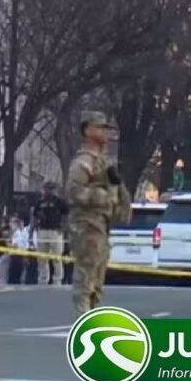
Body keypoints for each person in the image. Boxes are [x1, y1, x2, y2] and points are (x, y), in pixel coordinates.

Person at [66, 111, 132, 320]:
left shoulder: (102, 162)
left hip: (100, 225)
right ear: (88, 131)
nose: (106, 132)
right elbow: (73, 192)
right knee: (85, 280)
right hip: (86, 226)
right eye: (101, 127)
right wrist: (104, 196)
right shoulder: (84, 162)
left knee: (97, 281)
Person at [32, 181, 69, 285]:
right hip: (42, 230)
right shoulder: (40, 202)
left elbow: (66, 214)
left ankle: (57, 279)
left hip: (55, 231)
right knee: (42, 257)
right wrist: (34, 229)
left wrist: (63, 227)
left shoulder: (59, 201)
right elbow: (34, 216)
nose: (49, 191)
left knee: (57, 257)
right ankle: (43, 278)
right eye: (47, 189)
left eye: (51, 189)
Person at [0, 215, 31, 284]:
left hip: (18, 255)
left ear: (16, 224)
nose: (10, 224)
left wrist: (9, 244)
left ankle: (4, 281)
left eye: (12, 223)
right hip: (14, 254)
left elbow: (15, 245)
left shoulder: (18, 233)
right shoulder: (14, 233)